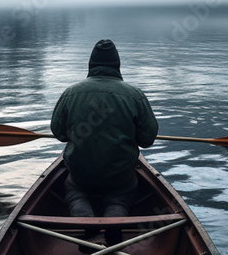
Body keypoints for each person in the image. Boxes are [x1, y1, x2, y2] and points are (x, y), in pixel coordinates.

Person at [51, 39, 159, 246]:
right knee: (121, 195)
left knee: (75, 191)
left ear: (91, 66)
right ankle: (115, 219)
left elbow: (59, 133)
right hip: (119, 177)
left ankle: (85, 220)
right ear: (117, 66)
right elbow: (148, 139)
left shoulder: (71, 93)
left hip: (80, 174)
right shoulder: (134, 95)